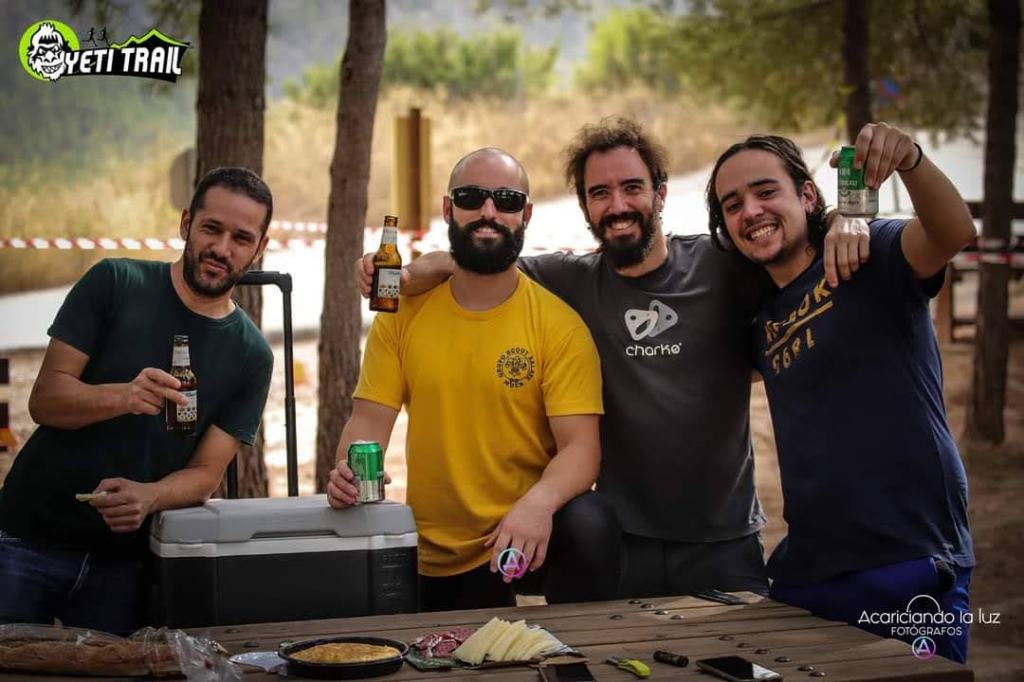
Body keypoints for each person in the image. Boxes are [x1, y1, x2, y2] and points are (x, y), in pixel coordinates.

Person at [358, 119, 866, 599]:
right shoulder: (569, 281)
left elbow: (787, 240)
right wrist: (414, 272)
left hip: (723, 538)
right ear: (584, 207)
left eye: (632, 187)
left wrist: (843, 218)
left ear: (660, 194)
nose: (618, 205)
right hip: (625, 541)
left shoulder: (723, 265)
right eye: (600, 193)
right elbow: (483, 257)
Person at [707, 122, 975, 662]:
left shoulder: (870, 255)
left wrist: (910, 160)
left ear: (808, 195)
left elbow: (952, 233)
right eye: (732, 205)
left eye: (765, 191)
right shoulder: (761, 321)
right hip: (809, 572)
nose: (751, 211)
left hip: (908, 555)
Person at [328, 148, 619, 611]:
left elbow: (582, 449)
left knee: (590, 522)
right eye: (471, 197)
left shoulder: (558, 326)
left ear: (525, 215)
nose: (488, 211)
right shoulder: (402, 315)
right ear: (448, 209)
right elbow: (367, 421)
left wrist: (538, 503)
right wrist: (346, 471)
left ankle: (585, 642)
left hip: (522, 535)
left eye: (506, 200)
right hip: (434, 553)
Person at [0, 167, 275, 634]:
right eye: (211, 228)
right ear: (186, 224)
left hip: (125, 563)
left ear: (260, 248)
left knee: (116, 666)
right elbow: (45, 401)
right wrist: (124, 396)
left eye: (241, 238)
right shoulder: (115, 282)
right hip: (26, 538)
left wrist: (150, 497)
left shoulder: (252, 354)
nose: (222, 248)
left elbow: (205, 473)